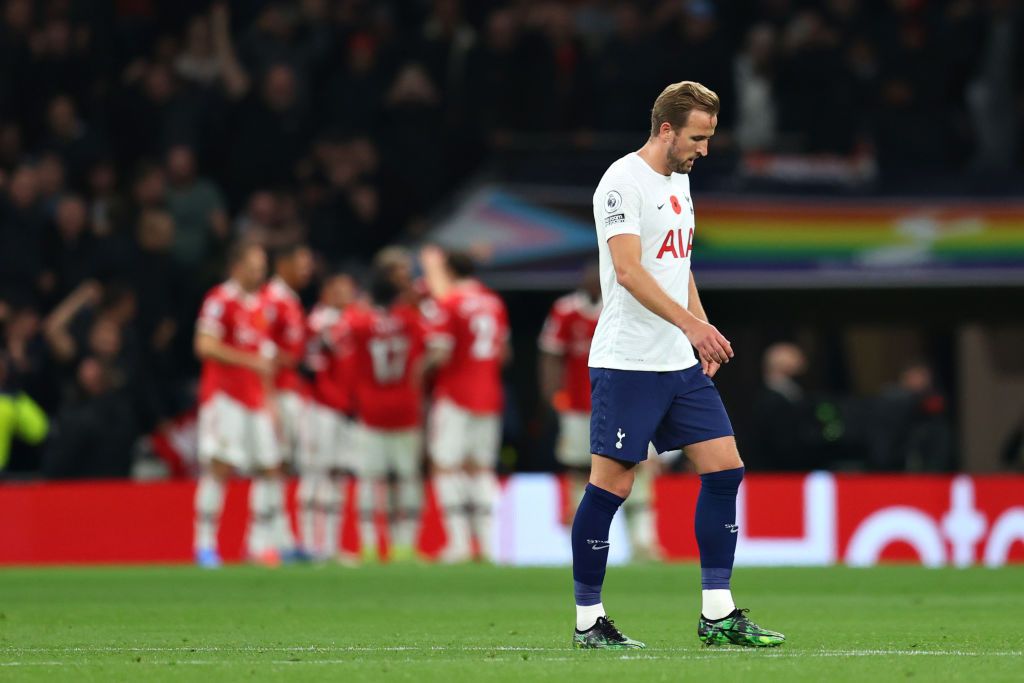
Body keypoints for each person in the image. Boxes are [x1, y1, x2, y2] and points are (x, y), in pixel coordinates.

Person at [571, 81, 785, 649]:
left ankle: (717, 614)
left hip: (675, 361)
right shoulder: (621, 182)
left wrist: (702, 331)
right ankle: (589, 620)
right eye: (697, 137)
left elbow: (676, 264)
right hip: (628, 362)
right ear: (666, 129)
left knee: (724, 468)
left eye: (709, 138)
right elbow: (629, 272)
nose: (704, 149)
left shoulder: (680, 181)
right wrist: (689, 326)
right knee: (609, 488)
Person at [192, 242, 280, 568]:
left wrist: (271, 403)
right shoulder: (220, 300)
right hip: (224, 396)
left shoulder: (260, 305)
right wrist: (249, 362)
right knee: (220, 467)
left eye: (262, 266)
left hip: (255, 399)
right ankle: (204, 546)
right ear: (237, 266)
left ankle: (257, 546)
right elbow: (204, 345)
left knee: (269, 467)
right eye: (255, 266)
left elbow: (266, 362)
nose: (260, 272)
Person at [420, 247, 510, 563]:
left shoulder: (450, 303)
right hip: (489, 395)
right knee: (481, 468)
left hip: (455, 395)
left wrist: (417, 370)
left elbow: (440, 352)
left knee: (446, 466)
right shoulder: (494, 303)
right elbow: (504, 354)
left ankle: (458, 544)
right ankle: (487, 546)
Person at [340, 265, 427, 562]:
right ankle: (405, 546)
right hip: (405, 409)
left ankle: (367, 545)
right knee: (407, 479)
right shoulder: (410, 320)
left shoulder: (359, 323)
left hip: (371, 410)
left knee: (368, 479)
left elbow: (348, 361)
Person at [260, 243, 315, 561]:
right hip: (275, 393)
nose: (307, 270)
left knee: (281, 466)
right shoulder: (271, 301)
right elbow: (262, 351)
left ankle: (279, 538)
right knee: (272, 465)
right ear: (283, 264)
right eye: (302, 263)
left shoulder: (291, 301)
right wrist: (267, 398)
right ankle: (264, 541)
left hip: (291, 391)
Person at [304, 272, 358, 562]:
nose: (346, 294)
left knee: (338, 474)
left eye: (349, 289)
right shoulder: (317, 323)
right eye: (339, 288)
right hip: (320, 408)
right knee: (316, 473)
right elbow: (309, 369)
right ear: (327, 291)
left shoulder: (353, 322)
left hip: (346, 410)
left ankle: (332, 546)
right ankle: (311, 544)